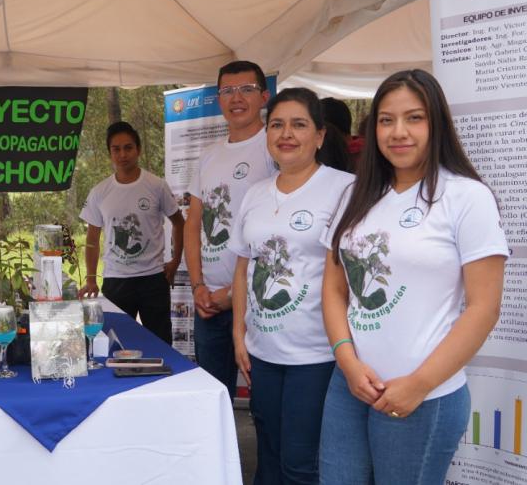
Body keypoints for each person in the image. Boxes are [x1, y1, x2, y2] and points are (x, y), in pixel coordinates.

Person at [318, 69, 507, 483]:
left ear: (437, 123)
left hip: (424, 396)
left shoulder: (466, 197)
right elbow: (334, 289)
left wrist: (420, 383)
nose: (398, 132)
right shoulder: (354, 195)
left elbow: (484, 308)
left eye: (414, 118)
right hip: (350, 386)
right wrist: (347, 362)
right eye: (386, 120)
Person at [230, 88, 354, 484]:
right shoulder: (254, 194)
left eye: (299, 125)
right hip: (262, 352)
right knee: (267, 457)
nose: (286, 134)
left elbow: (351, 275)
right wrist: (238, 333)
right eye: (277, 125)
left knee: (300, 464)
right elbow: (243, 266)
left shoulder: (346, 189)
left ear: (320, 135)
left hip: (317, 354)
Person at [183, 60, 276, 397]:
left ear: (264, 96)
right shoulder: (209, 155)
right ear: (219, 99)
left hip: (258, 299)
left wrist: (234, 293)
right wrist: (198, 287)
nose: (236, 98)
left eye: (246, 89)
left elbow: (276, 233)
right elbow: (193, 223)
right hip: (208, 302)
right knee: (212, 399)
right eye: (227, 91)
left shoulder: (273, 147)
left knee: (264, 402)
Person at [78, 121, 185, 344]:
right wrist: (90, 278)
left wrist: (175, 261)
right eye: (116, 149)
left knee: (160, 344)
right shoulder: (100, 192)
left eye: (128, 148)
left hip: (153, 279)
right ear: (110, 153)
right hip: (116, 280)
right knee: (115, 344)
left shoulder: (156, 185)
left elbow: (179, 222)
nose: (122, 154)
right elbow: (92, 239)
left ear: (138, 150)